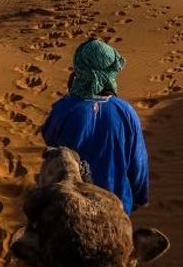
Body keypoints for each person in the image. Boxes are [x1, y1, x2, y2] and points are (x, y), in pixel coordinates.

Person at [40, 38, 149, 215]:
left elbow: (49, 138)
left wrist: (70, 98)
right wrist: (140, 197)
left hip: (71, 206)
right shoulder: (126, 112)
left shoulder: (64, 108)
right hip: (117, 205)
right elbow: (138, 163)